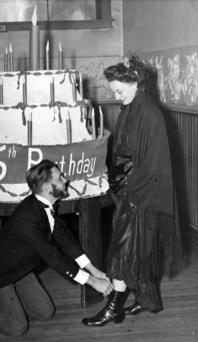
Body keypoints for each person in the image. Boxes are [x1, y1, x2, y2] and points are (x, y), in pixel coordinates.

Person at [0, 159, 112, 336]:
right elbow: (53, 256)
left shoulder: (45, 208)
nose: (65, 180)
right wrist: (91, 281)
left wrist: (94, 270)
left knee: (44, 313)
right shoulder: (27, 218)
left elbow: (67, 241)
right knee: (17, 326)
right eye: (60, 178)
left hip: (19, 269)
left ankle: (5, 301)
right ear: (46, 186)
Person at [82, 56, 182, 327]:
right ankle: (147, 300)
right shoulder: (132, 106)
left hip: (141, 194)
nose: (116, 96)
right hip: (131, 189)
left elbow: (153, 164)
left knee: (123, 252)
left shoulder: (148, 112)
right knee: (140, 250)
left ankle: (114, 308)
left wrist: (129, 190)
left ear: (136, 82)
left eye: (119, 90)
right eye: (114, 91)